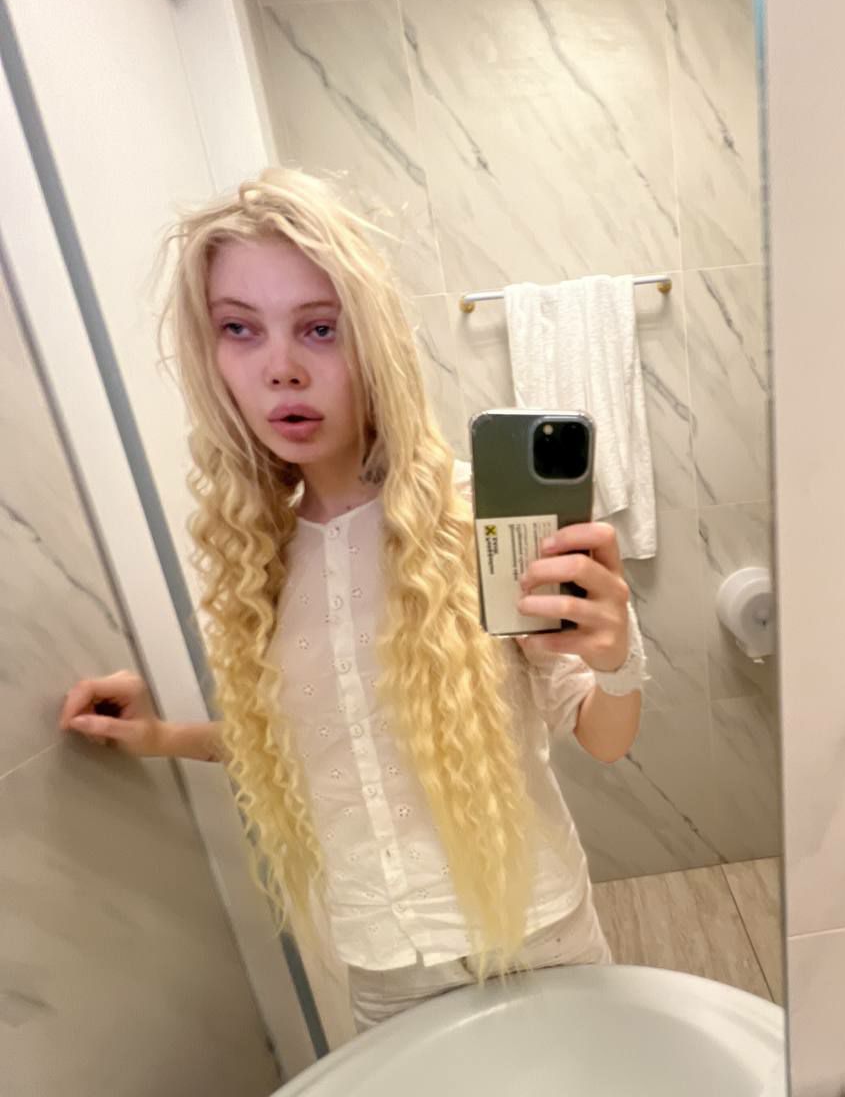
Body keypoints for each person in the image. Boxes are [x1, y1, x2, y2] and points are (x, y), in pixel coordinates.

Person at [59, 168, 647, 1031]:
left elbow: (601, 735)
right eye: (239, 329)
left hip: (538, 937)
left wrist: (616, 654)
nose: (282, 369)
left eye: (320, 328)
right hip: (381, 970)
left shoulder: (473, 516)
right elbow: (309, 746)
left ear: (372, 343)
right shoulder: (251, 553)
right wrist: (158, 736)